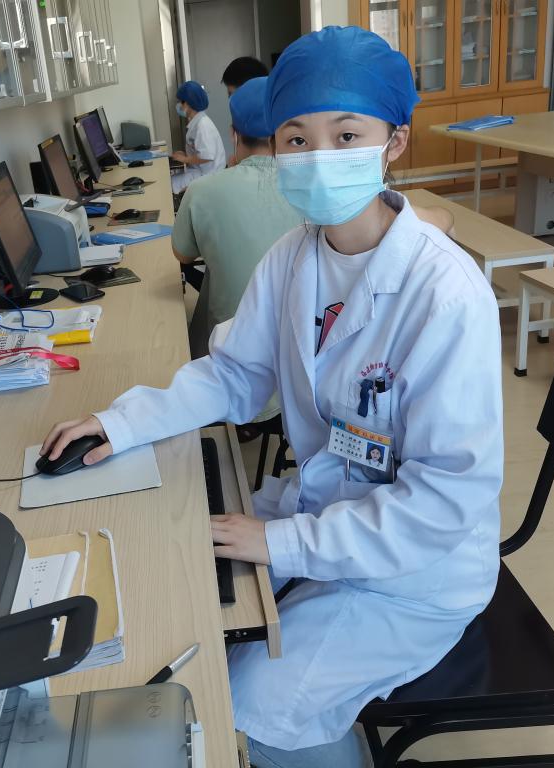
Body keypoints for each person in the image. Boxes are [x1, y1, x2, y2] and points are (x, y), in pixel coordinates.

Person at [42, 26, 503, 768]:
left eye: (345, 135)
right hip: (324, 510)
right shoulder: (293, 258)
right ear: (274, 147)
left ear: (394, 142)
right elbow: (233, 375)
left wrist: (282, 543)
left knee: (241, 704)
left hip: (412, 573)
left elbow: (444, 502)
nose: (318, 156)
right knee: (169, 572)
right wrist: (120, 422)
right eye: (297, 138)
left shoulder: (446, 295)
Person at [174, 77, 302, 359]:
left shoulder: (202, 191)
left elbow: (183, 255)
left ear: (234, 134)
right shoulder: (310, 187)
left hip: (233, 350)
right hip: (302, 344)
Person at [171, 80, 226, 195]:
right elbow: (200, 150)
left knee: (169, 184)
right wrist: (185, 155)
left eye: (181, 102)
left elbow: (206, 156)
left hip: (208, 175)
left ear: (188, 103)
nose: (179, 106)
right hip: (201, 170)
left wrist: (185, 159)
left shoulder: (202, 125)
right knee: (170, 179)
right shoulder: (197, 122)